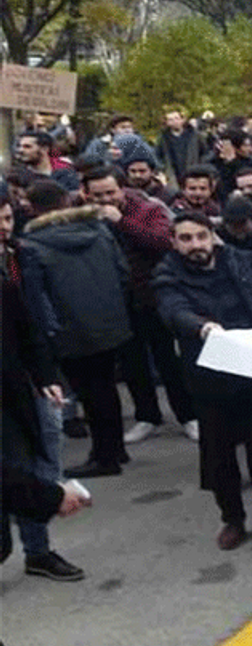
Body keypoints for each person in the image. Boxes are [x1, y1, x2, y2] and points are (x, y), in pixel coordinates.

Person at [151, 211, 252, 550]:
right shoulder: (167, 274)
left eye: (201, 236)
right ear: (174, 242)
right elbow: (172, 310)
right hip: (211, 380)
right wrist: (202, 327)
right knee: (220, 456)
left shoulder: (238, 260)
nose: (195, 245)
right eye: (186, 239)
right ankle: (233, 520)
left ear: (213, 236)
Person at [19, 180, 134, 479]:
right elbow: (123, 272)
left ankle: (105, 456)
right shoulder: (99, 230)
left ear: (32, 208)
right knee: (106, 387)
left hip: (69, 329)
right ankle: (114, 448)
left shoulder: (31, 245)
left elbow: (37, 297)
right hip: (110, 321)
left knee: (89, 392)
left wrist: (47, 332)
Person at [80, 166, 199, 445]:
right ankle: (147, 416)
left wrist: (121, 222)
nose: (105, 200)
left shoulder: (148, 208)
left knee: (168, 360)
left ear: (121, 189)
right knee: (132, 363)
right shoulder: (81, 213)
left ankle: (187, 415)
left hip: (152, 296)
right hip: (114, 300)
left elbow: (161, 242)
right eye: (97, 195)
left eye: (110, 192)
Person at [1, 194, 85, 580]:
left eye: (5, 218)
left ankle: (38, 551)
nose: (3, 227)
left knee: (32, 463)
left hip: (17, 393)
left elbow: (28, 331)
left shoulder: (16, 262)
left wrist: (46, 377)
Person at [155, 109, 204, 178]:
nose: (175, 122)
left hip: (193, 172)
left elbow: (205, 152)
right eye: (171, 120)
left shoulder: (194, 135)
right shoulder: (163, 138)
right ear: (167, 122)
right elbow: (157, 155)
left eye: (177, 118)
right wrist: (163, 168)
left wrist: (200, 166)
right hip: (172, 174)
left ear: (182, 120)